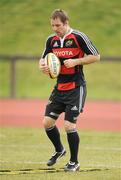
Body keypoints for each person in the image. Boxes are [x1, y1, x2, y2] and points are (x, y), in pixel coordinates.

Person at [39, 9, 100, 172]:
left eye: (57, 25)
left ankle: (74, 162)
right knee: (47, 122)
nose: (54, 29)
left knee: (68, 125)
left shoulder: (78, 37)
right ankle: (59, 150)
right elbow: (43, 59)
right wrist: (43, 67)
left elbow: (96, 56)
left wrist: (76, 61)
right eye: (52, 25)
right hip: (59, 87)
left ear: (66, 23)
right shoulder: (51, 40)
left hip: (76, 87)